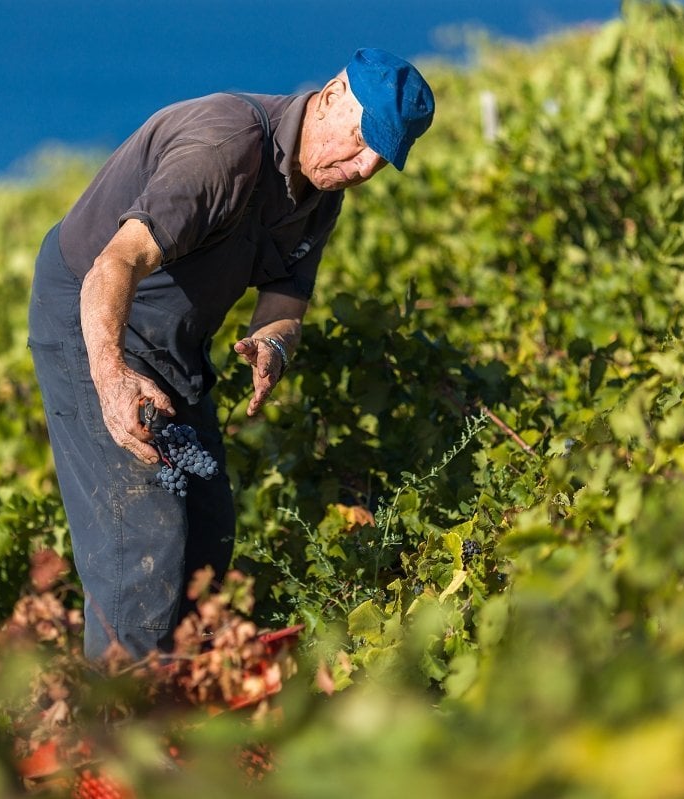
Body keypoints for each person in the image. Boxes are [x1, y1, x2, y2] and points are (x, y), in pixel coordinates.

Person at [28, 48, 435, 660]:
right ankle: (118, 728)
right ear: (328, 97)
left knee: (207, 534)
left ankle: (187, 696)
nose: (365, 167)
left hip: (173, 340)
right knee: (142, 544)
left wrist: (272, 344)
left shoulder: (321, 190)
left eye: (382, 157)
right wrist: (110, 381)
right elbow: (112, 266)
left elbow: (286, 296)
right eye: (362, 140)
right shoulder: (226, 149)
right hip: (92, 320)